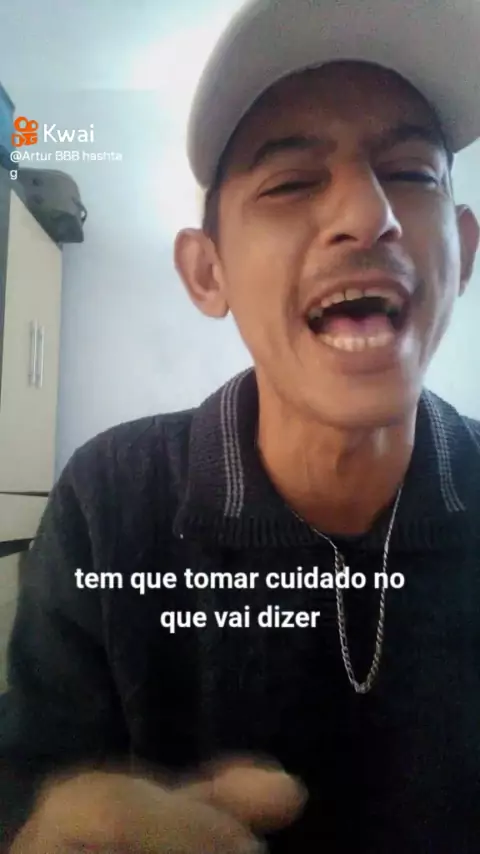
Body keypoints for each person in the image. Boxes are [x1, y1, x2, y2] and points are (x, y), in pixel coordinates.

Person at [1, 0, 480, 850]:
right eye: (291, 183)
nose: (369, 214)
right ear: (207, 272)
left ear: (465, 250)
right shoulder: (109, 499)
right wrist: (41, 830)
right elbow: (26, 774)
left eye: (412, 172)